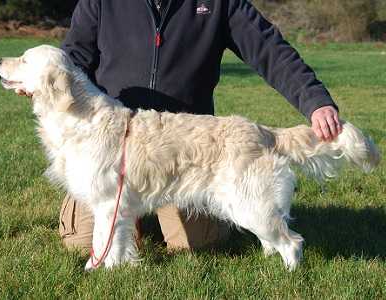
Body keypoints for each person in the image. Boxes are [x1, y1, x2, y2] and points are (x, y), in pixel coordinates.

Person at [19, 0, 342, 252]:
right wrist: (37, 77)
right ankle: (133, 217)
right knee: (81, 239)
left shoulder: (219, 3)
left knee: (197, 243)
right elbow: (74, 57)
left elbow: (270, 50)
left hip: (190, 152)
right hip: (110, 144)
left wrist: (316, 101)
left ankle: (151, 217)